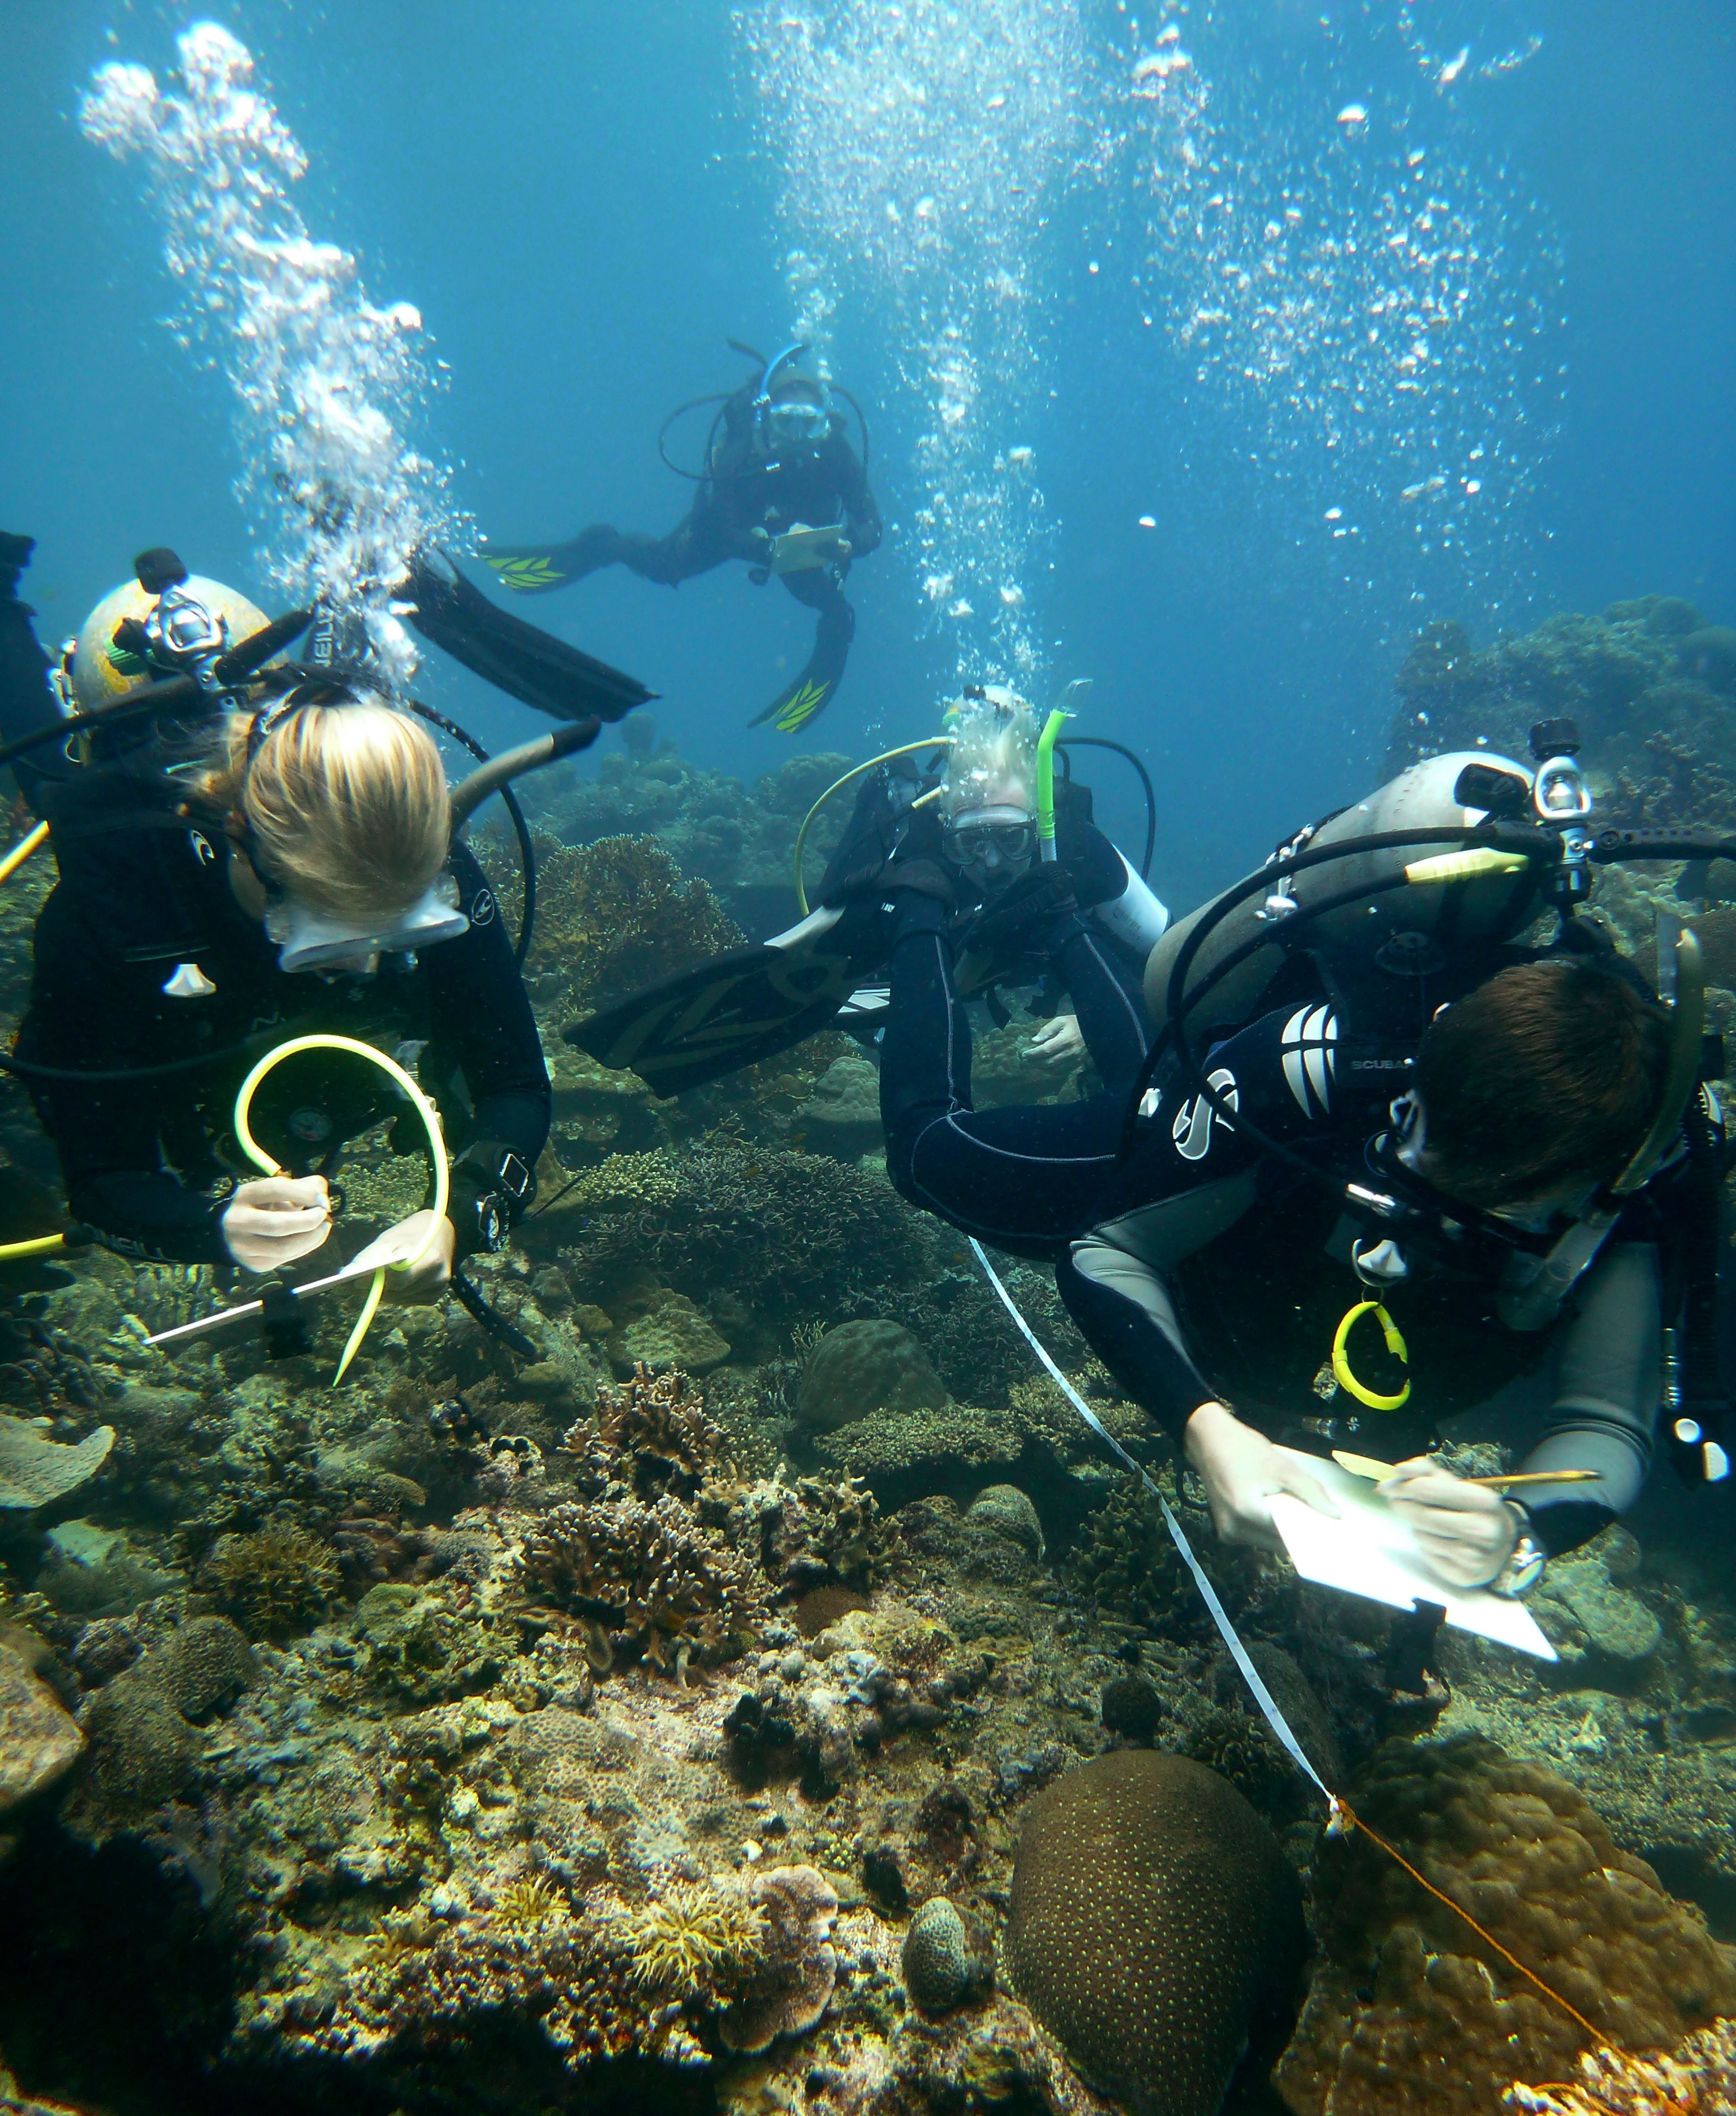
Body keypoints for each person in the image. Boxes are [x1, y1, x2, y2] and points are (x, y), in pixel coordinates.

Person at [875, 745, 1722, 1599]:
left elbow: (1608, 1422)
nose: (1414, 1185)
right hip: (1222, 1181)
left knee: (1149, 1088)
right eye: (1414, 1139)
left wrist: (1523, 1527)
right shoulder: (1328, 1063)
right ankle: (922, 900)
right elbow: (1109, 1248)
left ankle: (1059, 920)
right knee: (926, 1155)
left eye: (1467, 1193)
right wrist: (1206, 1427)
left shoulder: (1635, 1179)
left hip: (1269, 1276)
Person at [0, 535, 549, 1295]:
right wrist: (212, 1229)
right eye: (326, 937)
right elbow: (102, 1176)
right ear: (237, 837)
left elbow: (516, 1083)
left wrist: (461, 1213)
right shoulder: (120, 897)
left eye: (394, 931)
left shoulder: (423, 856)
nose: (362, 964)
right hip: (126, 778)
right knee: (42, 772)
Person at [482, 344, 881, 732]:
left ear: (824, 422)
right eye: (786, 421)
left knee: (838, 612)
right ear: (767, 417)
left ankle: (818, 680)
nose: (797, 435)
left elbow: (871, 525)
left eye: (808, 423)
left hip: (800, 548)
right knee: (662, 567)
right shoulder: (744, 448)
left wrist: (847, 543)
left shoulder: (835, 451)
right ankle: (601, 546)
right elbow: (723, 526)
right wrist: (764, 545)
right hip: (734, 534)